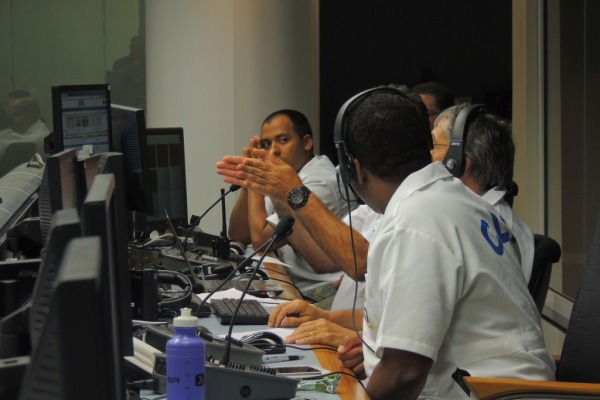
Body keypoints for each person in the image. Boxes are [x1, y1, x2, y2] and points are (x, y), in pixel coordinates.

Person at [226, 109, 347, 292]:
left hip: (323, 290)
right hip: (291, 283)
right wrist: (248, 183)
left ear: (306, 143)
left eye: (283, 140)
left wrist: (255, 179)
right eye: (266, 144)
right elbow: (238, 235)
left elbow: (262, 240)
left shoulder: (319, 182)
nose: (273, 150)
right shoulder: (284, 176)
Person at [432, 104, 535, 282]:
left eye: (435, 145)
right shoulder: (488, 216)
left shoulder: (479, 227)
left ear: (458, 161)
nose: (429, 155)